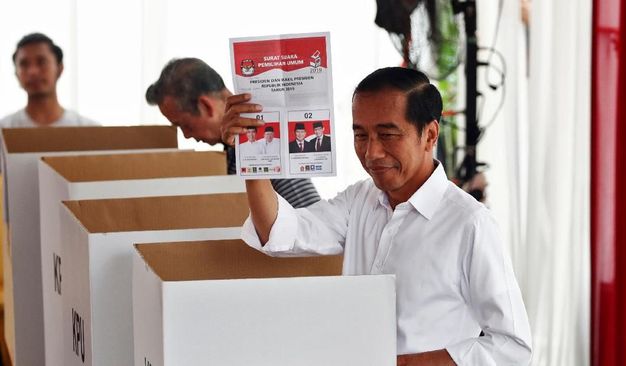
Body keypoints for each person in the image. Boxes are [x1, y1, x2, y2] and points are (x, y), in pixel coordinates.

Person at [223, 67, 532, 365]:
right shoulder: (359, 200)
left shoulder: (469, 223)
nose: (372, 153)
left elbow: (512, 346)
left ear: (430, 135)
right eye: (360, 136)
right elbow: (279, 233)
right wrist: (252, 157)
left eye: (387, 135)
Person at [145, 57, 320, 208]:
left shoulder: (262, 134)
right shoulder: (231, 148)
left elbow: (312, 219)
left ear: (206, 106)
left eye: (185, 125)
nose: (186, 136)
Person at [0, 33, 98, 128]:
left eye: (41, 62)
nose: (33, 72)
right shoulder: (3, 131)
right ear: (16, 73)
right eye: (24, 64)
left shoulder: (89, 131)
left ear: (59, 68)